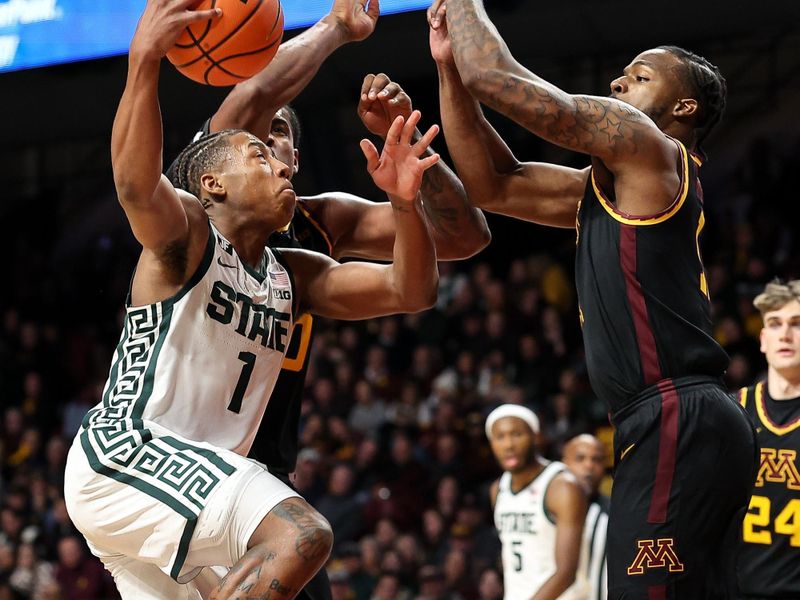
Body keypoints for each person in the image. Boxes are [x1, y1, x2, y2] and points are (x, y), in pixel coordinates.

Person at [62, 0, 444, 598]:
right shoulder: (188, 236)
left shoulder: (293, 274)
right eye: (259, 156)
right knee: (300, 535)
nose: (283, 168)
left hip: (189, 483)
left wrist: (404, 202)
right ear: (212, 184)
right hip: (130, 454)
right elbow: (136, 183)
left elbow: (411, 289)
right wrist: (144, 62)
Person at [428, 1, 759, 596]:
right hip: (666, 419)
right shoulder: (614, 185)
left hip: (676, 413)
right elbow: (491, 186)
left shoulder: (647, 143)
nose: (617, 81)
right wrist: (450, 69)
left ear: (682, 107)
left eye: (640, 75)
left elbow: (497, 78)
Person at [736, 280, 800, 599]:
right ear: (763, 340)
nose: (785, 334)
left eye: (797, 324)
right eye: (775, 324)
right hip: (733, 590)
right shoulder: (732, 412)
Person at [486, 404, 587, 599]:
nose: (508, 445)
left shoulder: (562, 486)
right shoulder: (497, 489)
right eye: (500, 437)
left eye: (516, 434)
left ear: (536, 436)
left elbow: (566, 572)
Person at [562, 434, 609, 600]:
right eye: (580, 458)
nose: (589, 466)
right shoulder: (544, 509)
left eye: (596, 460)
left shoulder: (615, 514)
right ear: (564, 463)